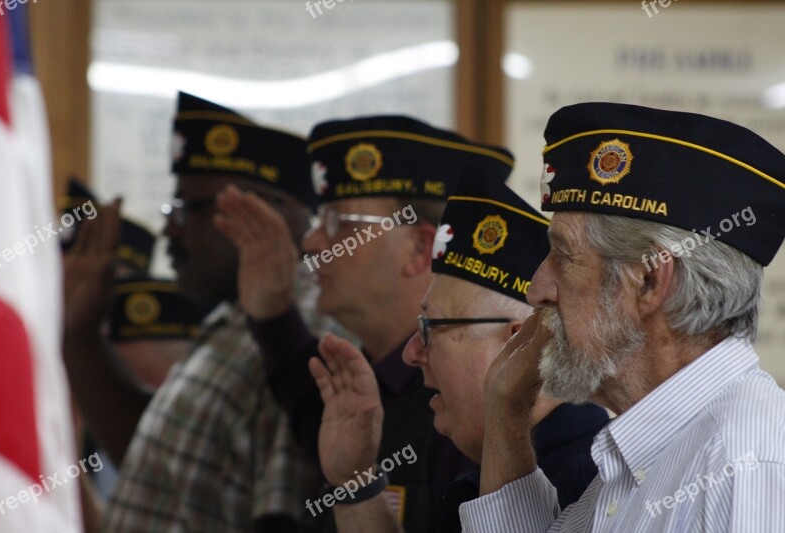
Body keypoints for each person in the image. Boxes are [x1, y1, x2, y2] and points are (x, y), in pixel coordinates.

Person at [460, 102, 785, 532]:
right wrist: (506, 412)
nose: (536, 288)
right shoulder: (651, 453)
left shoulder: (743, 461)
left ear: (649, 281)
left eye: (563, 256)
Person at [214, 115, 515, 532]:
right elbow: (314, 411)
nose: (312, 242)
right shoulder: (386, 379)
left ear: (418, 248)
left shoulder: (461, 407)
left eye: (340, 224)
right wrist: (272, 313)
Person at [64, 92, 322, 532]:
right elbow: (164, 468)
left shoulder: (306, 327)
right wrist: (79, 335)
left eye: (189, 208)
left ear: (266, 212)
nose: (168, 227)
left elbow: (283, 514)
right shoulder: (234, 322)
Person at [307, 173, 610, 533]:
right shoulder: (502, 464)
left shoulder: (581, 486)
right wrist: (356, 482)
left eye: (431, 328)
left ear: (519, 344)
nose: (411, 353)